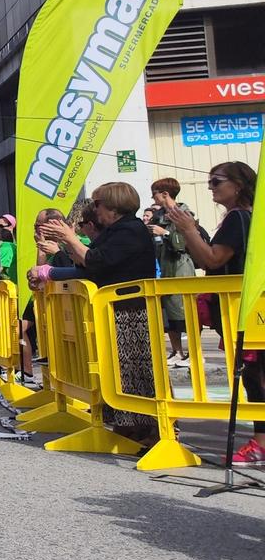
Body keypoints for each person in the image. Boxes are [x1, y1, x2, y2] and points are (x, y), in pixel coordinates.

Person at [30, 181, 160, 443]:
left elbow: (94, 262)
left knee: (133, 368)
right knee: (118, 369)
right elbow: (86, 264)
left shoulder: (130, 230)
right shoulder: (117, 230)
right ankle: (128, 423)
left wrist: (69, 239)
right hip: (114, 308)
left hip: (130, 309)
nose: (94, 209)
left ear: (112, 205)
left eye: (97, 203)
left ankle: (144, 426)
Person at [155, 160, 259, 467]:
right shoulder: (246, 216)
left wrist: (187, 229)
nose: (210, 187)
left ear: (237, 185)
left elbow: (212, 259)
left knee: (255, 376)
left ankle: (261, 444)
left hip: (244, 307)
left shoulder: (238, 217)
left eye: (216, 182)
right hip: (246, 305)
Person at [144, 177, 197, 366]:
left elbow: (185, 242)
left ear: (165, 194)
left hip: (180, 268)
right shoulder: (159, 215)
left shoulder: (184, 213)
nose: (153, 198)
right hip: (163, 267)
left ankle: (194, 352)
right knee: (168, 312)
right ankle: (177, 351)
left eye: (155, 194)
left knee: (185, 310)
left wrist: (164, 233)